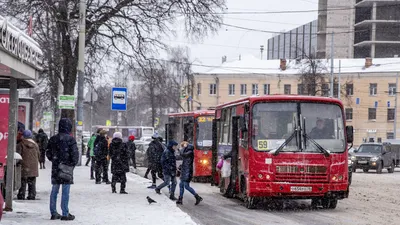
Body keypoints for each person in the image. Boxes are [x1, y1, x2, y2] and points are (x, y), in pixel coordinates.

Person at [46, 118, 79, 221]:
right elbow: (75, 155)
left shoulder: (53, 139)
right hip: (66, 168)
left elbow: (48, 153)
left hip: (56, 167)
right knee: (65, 191)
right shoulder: (71, 139)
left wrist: (55, 160)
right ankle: (65, 213)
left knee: (54, 190)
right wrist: (71, 163)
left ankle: (53, 212)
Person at [176, 141, 203, 205]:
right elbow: (182, 157)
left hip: (188, 171)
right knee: (181, 185)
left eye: (182, 146)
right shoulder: (187, 151)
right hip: (185, 171)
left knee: (186, 186)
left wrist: (181, 149)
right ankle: (180, 199)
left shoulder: (190, 151)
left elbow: (183, 155)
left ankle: (197, 197)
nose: (182, 148)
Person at [16, 130, 40, 200]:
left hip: (24, 166)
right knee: (32, 181)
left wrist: (18, 163)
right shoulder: (35, 144)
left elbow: (18, 155)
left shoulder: (21, 144)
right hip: (33, 167)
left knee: (23, 181)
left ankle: (21, 195)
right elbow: (38, 154)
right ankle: (32, 195)